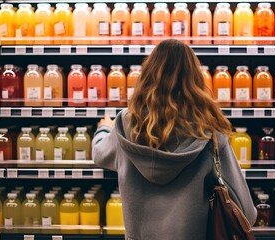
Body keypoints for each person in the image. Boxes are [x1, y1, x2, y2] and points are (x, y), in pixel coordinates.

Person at [92, 39, 256, 239]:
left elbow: (100, 155)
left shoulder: (127, 122)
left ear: (148, 75)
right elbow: (247, 211)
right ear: (194, 78)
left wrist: (104, 130)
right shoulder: (209, 130)